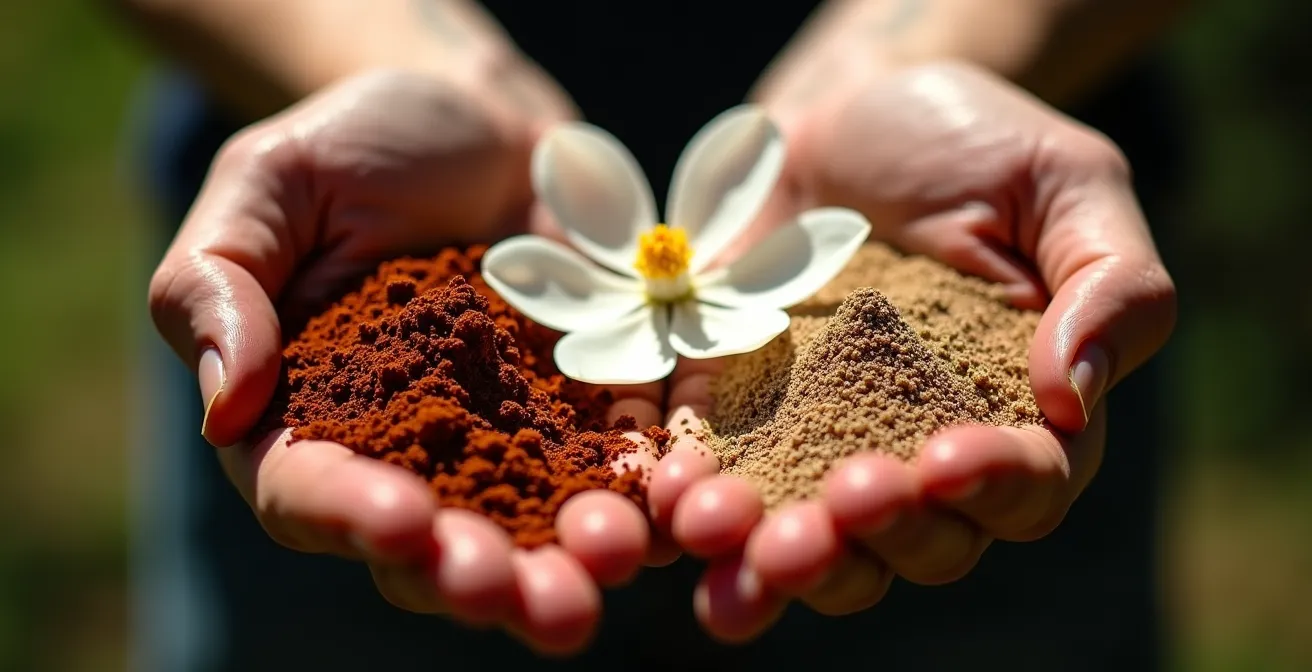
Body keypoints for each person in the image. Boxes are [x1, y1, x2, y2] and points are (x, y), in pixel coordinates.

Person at [115, 0, 1186, 669]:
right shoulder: (506, 283)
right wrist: (390, 58)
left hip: (980, 274)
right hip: (341, 262)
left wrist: (943, 38)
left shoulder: (804, 279)